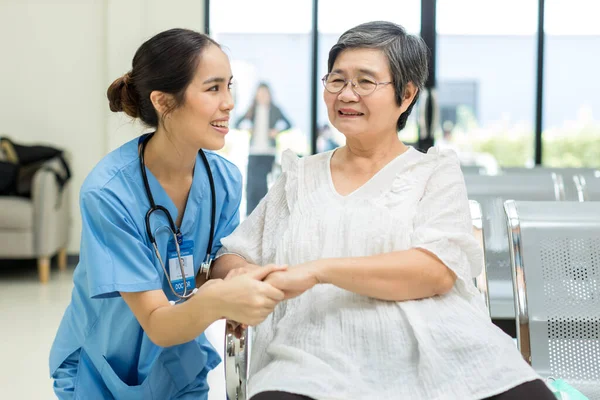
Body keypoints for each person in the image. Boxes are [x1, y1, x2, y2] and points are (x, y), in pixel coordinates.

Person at [215, 22, 556, 400]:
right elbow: (234, 254)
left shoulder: (433, 172)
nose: (347, 94)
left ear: (406, 95)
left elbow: (434, 271)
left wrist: (316, 271)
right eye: (337, 80)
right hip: (315, 354)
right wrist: (246, 276)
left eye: (365, 82)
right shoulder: (299, 177)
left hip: (440, 348)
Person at [48, 28, 287, 400]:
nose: (229, 103)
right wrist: (222, 299)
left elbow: (218, 257)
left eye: (229, 86)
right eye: (213, 88)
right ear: (163, 101)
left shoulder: (223, 178)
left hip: (178, 361)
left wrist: (241, 272)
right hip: (103, 368)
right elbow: (157, 322)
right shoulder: (109, 193)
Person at [235, 82, 292, 215]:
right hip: (254, 152)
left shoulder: (275, 109)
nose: (262, 96)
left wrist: (276, 131)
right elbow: (237, 123)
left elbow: (288, 124)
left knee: (263, 185)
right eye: (259, 93)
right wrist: (248, 129)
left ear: (269, 94)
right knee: (252, 186)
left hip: (269, 152)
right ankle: (251, 215)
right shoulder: (252, 109)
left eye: (265, 93)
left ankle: (264, 214)